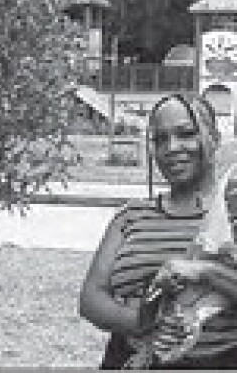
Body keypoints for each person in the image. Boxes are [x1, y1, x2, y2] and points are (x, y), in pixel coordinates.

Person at [79, 93, 237, 369]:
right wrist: (145, 321)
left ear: (215, 138)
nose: (172, 147)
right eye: (160, 139)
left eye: (186, 133)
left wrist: (204, 272)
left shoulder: (230, 213)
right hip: (132, 361)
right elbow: (91, 299)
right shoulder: (132, 216)